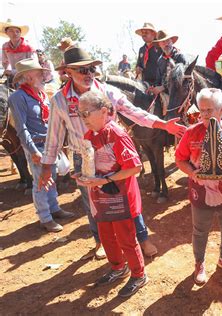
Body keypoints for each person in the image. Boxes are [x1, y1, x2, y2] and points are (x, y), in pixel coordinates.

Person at [38, 47, 185, 259]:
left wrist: (162, 125)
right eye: (82, 70)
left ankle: (142, 238)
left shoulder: (107, 92)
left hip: (113, 154)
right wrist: (46, 167)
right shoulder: (59, 100)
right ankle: (100, 241)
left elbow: (133, 111)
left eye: (91, 69)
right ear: (68, 72)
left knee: (127, 198)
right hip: (85, 157)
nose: (88, 74)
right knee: (92, 203)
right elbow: (54, 136)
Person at [175, 88, 222, 285]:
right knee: (200, 230)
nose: (205, 115)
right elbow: (180, 159)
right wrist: (192, 173)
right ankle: (199, 263)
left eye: (210, 110)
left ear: (221, 110)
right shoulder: (192, 132)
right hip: (200, 192)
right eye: (202, 110)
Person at [76, 91, 147, 298]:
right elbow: (91, 165)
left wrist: (105, 180)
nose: (83, 118)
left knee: (126, 237)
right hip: (100, 197)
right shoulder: (89, 135)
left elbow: (135, 168)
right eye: (80, 114)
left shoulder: (117, 134)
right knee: (106, 236)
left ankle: (138, 274)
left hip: (121, 198)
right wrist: (81, 175)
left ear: (104, 111)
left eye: (86, 113)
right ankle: (118, 268)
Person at [8, 58, 73, 232]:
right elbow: (21, 128)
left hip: (49, 143)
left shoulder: (41, 93)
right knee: (41, 182)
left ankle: (54, 209)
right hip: (36, 145)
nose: (42, 75)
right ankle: (45, 217)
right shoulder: (17, 97)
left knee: (51, 178)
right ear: (28, 76)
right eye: (38, 72)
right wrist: (33, 151)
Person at [149, 30, 188, 97]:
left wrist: (163, 87)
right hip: (163, 93)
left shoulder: (180, 57)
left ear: (172, 41)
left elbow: (183, 80)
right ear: (159, 45)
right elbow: (158, 79)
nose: (166, 44)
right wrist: (155, 88)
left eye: (168, 41)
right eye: (163, 42)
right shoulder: (160, 60)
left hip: (178, 95)